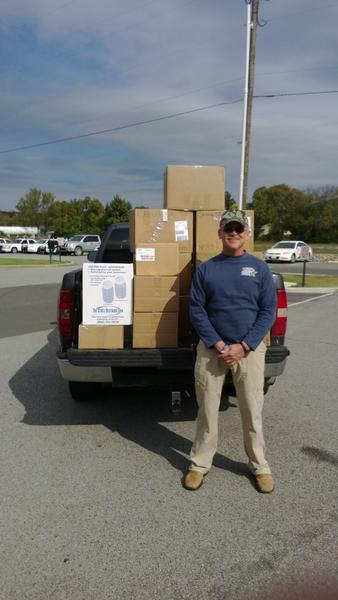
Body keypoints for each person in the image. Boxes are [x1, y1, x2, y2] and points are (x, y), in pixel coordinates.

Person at [184, 209, 277, 493]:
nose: (233, 233)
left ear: (247, 234)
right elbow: (196, 310)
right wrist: (220, 344)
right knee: (207, 410)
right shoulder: (207, 269)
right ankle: (199, 464)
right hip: (213, 349)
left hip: (249, 349)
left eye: (239, 229)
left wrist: (245, 345)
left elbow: (268, 310)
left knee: (252, 410)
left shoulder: (259, 269)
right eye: (228, 229)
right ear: (220, 233)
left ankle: (259, 466)